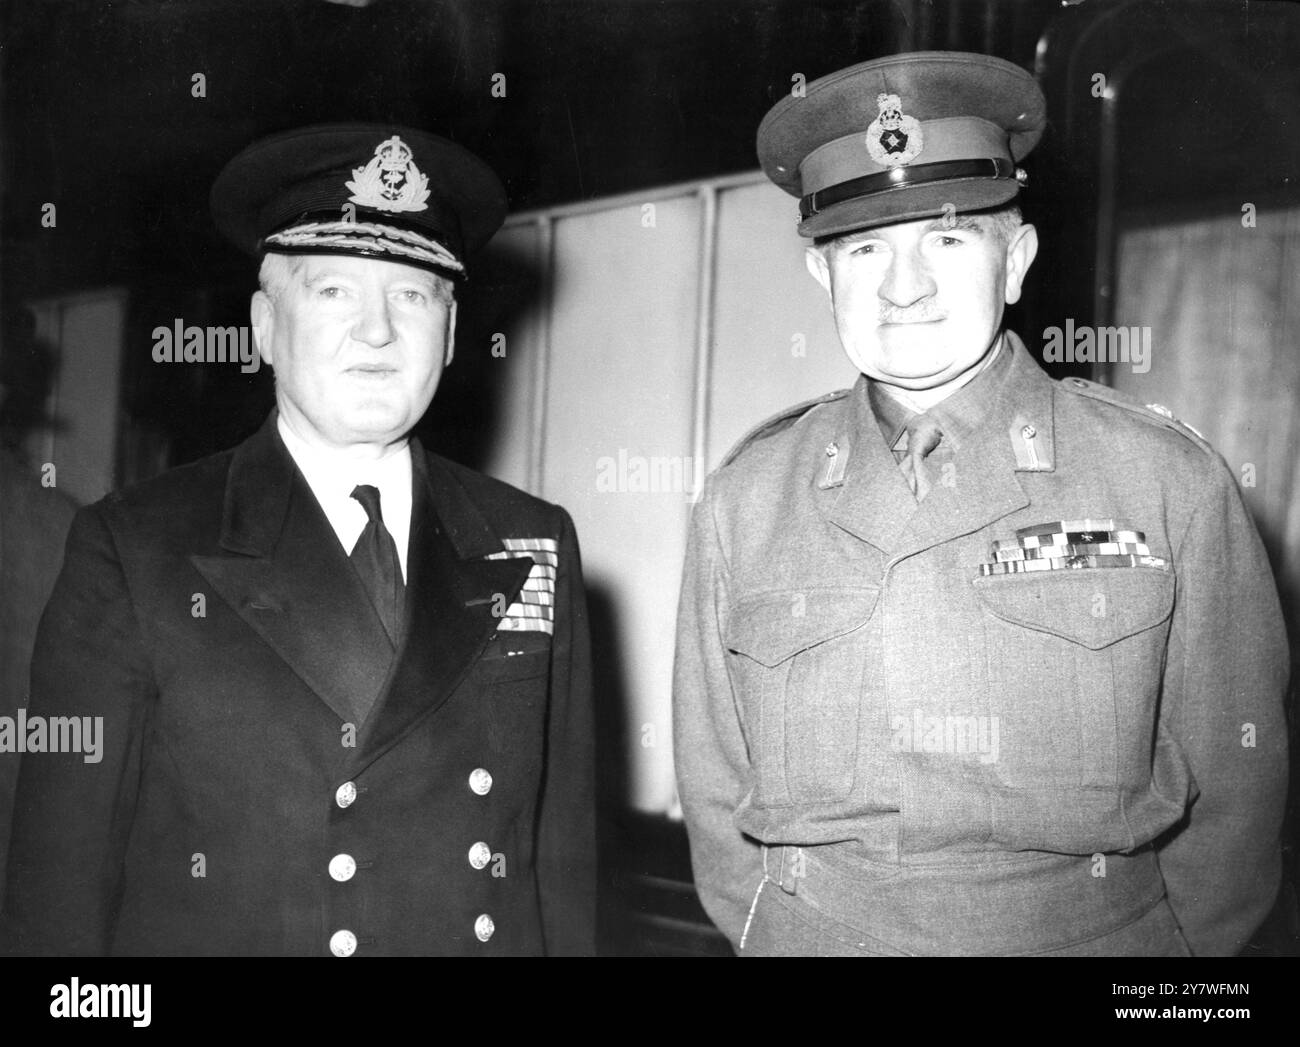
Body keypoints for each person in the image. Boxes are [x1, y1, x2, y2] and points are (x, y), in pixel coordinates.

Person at [673, 52, 1288, 957]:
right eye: (867, 248)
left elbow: (1234, 813)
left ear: (1017, 261)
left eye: (949, 240)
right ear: (823, 277)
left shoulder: (1163, 482)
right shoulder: (746, 499)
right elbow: (719, 799)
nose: (904, 286)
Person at [1, 124, 595, 956]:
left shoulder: (534, 538)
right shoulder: (135, 549)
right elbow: (57, 900)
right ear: (263, 327)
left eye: (413, 295)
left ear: (453, 332)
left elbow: (559, 877)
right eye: (335, 293)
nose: (379, 331)